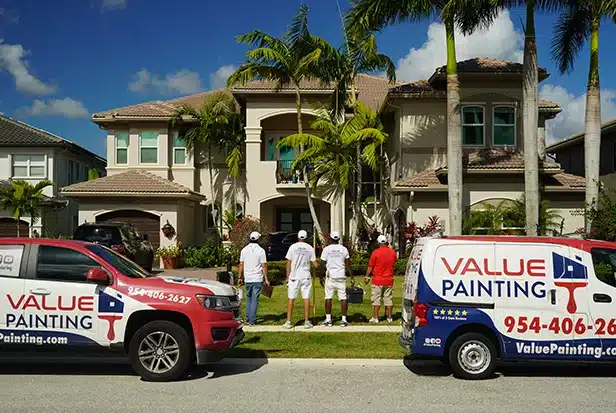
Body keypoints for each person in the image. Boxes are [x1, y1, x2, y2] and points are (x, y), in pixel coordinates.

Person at [283, 230, 319, 329]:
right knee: (306, 298)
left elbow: (288, 264)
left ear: (298, 237)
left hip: (294, 276)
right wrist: (318, 265)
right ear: (306, 237)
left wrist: (287, 277)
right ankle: (307, 321)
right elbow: (315, 264)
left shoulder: (292, 247)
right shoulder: (310, 248)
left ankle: (289, 321)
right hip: (306, 276)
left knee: (291, 298)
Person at [320, 231, 354, 327]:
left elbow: (322, 263)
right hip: (341, 276)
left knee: (328, 297)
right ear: (339, 239)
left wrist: (320, 276)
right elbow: (348, 264)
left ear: (330, 239)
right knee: (343, 297)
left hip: (330, 276)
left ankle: (328, 320)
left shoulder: (326, 249)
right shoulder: (344, 249)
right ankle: (344, 320)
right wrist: (352, 277)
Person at [238, 231, 270, 326]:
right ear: (258, 239)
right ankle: (252, 320)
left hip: (247, 278)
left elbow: (241, 264)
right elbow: (264, 265)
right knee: (255, 299)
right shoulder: (261, 251)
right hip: (257, 278)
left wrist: (239, 277)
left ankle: (248, 318)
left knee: (248, 298)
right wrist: (266, 278)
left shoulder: (244, 250)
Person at [364, 234, 397, 323]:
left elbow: (371, 266)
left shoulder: (375, 252)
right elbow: (394, 263)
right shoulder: (392, 252)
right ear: (386, 242)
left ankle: (375, 317)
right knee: (388, 299)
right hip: (389, 279)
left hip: (377, 279)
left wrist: (367, 276)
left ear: (378, 243)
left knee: (376, 299)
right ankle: (389, 317)